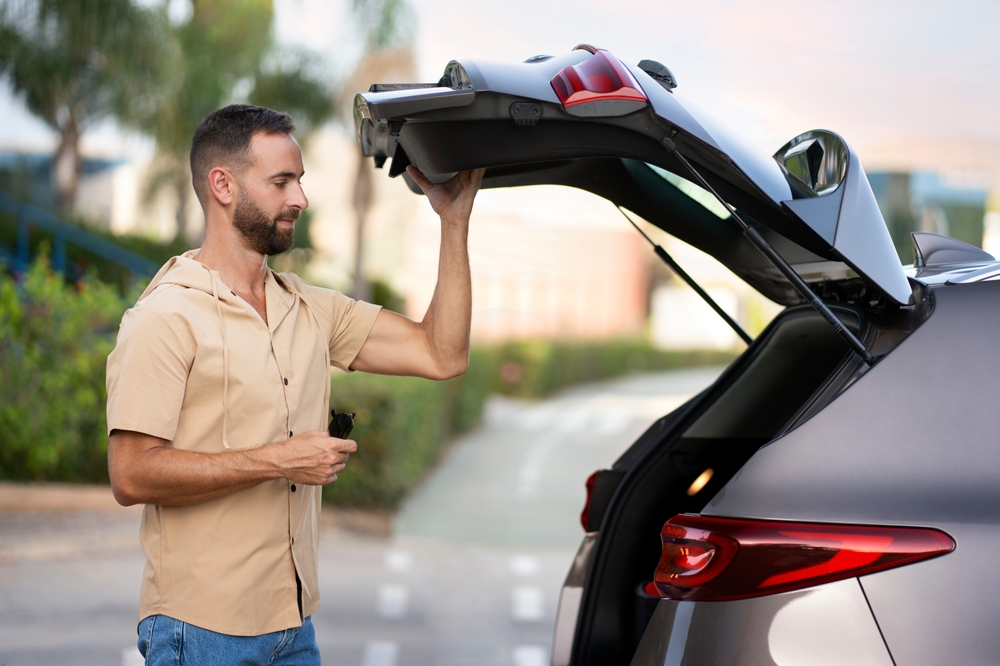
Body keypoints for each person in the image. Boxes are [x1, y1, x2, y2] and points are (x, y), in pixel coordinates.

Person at [106, 104, 484, 665]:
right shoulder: (165, 317)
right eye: (281, 181)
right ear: (223, 185)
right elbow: (131, 474)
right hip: (199, 632)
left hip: (294, 627)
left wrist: (453, 221)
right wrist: (280, 460)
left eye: (300, 181)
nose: (300, 198)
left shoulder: (310, 308)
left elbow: (442, 353)